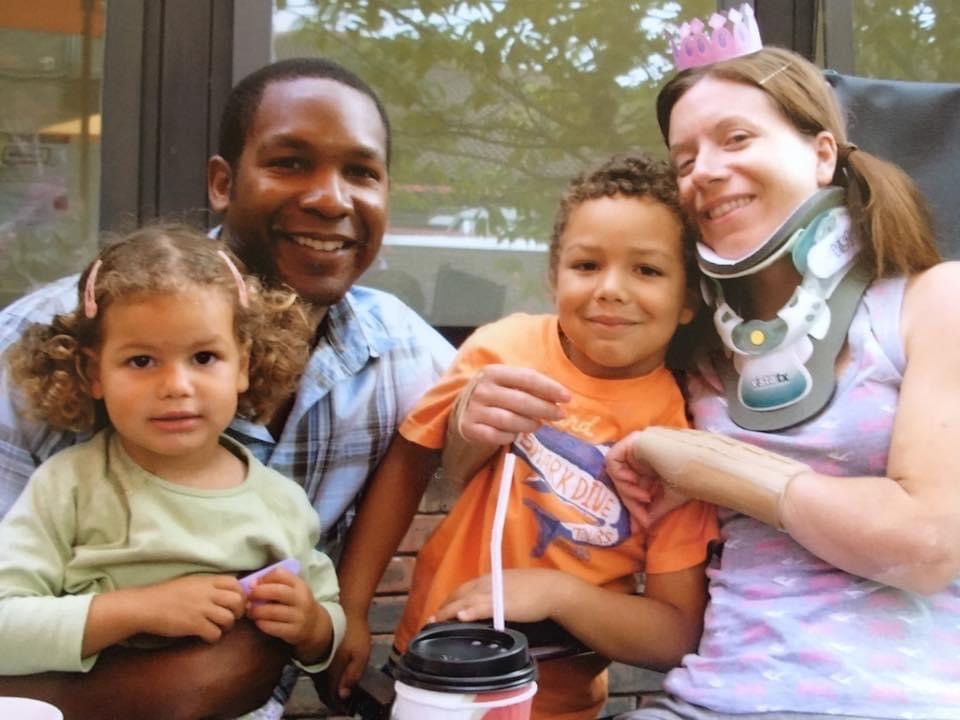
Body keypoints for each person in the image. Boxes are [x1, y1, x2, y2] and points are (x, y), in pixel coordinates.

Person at [0, 57, 455, 717]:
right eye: (291, 162)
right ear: (222, 182)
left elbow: (465, 423)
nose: (331, 199)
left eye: (361, 172)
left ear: (247, 365)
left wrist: (331, 619)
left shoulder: (396, 352)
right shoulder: (40, 346)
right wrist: (189, 674)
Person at [602, 46, 960, 720]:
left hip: (898, 702)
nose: (705, 171)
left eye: (736, 137)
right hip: (707, 701)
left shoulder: (936, 302)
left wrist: (713, 466)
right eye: (684, 160)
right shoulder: (696, 351)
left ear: (822, 153)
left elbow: (928, 547)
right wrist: (476, 411)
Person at [393, 154, 719, 720]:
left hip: (558, 704)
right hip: (432, 670)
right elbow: (420, 466)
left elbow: (674, 635)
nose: (611, 290)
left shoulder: (680, 438)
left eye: (647, 270)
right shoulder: (502, 351)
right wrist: (347, 608)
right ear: (554, 276)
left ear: (689, 297)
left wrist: (555, 594)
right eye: (587, 265)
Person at [0, 226, 343, 679]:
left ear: (242, 364)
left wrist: (313, 627)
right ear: (92, 370)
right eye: (141, 361)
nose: (176, 387)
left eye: (203, 358)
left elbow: (329, 616)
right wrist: (135, 610)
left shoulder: (280, 501)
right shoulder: (71, 486)